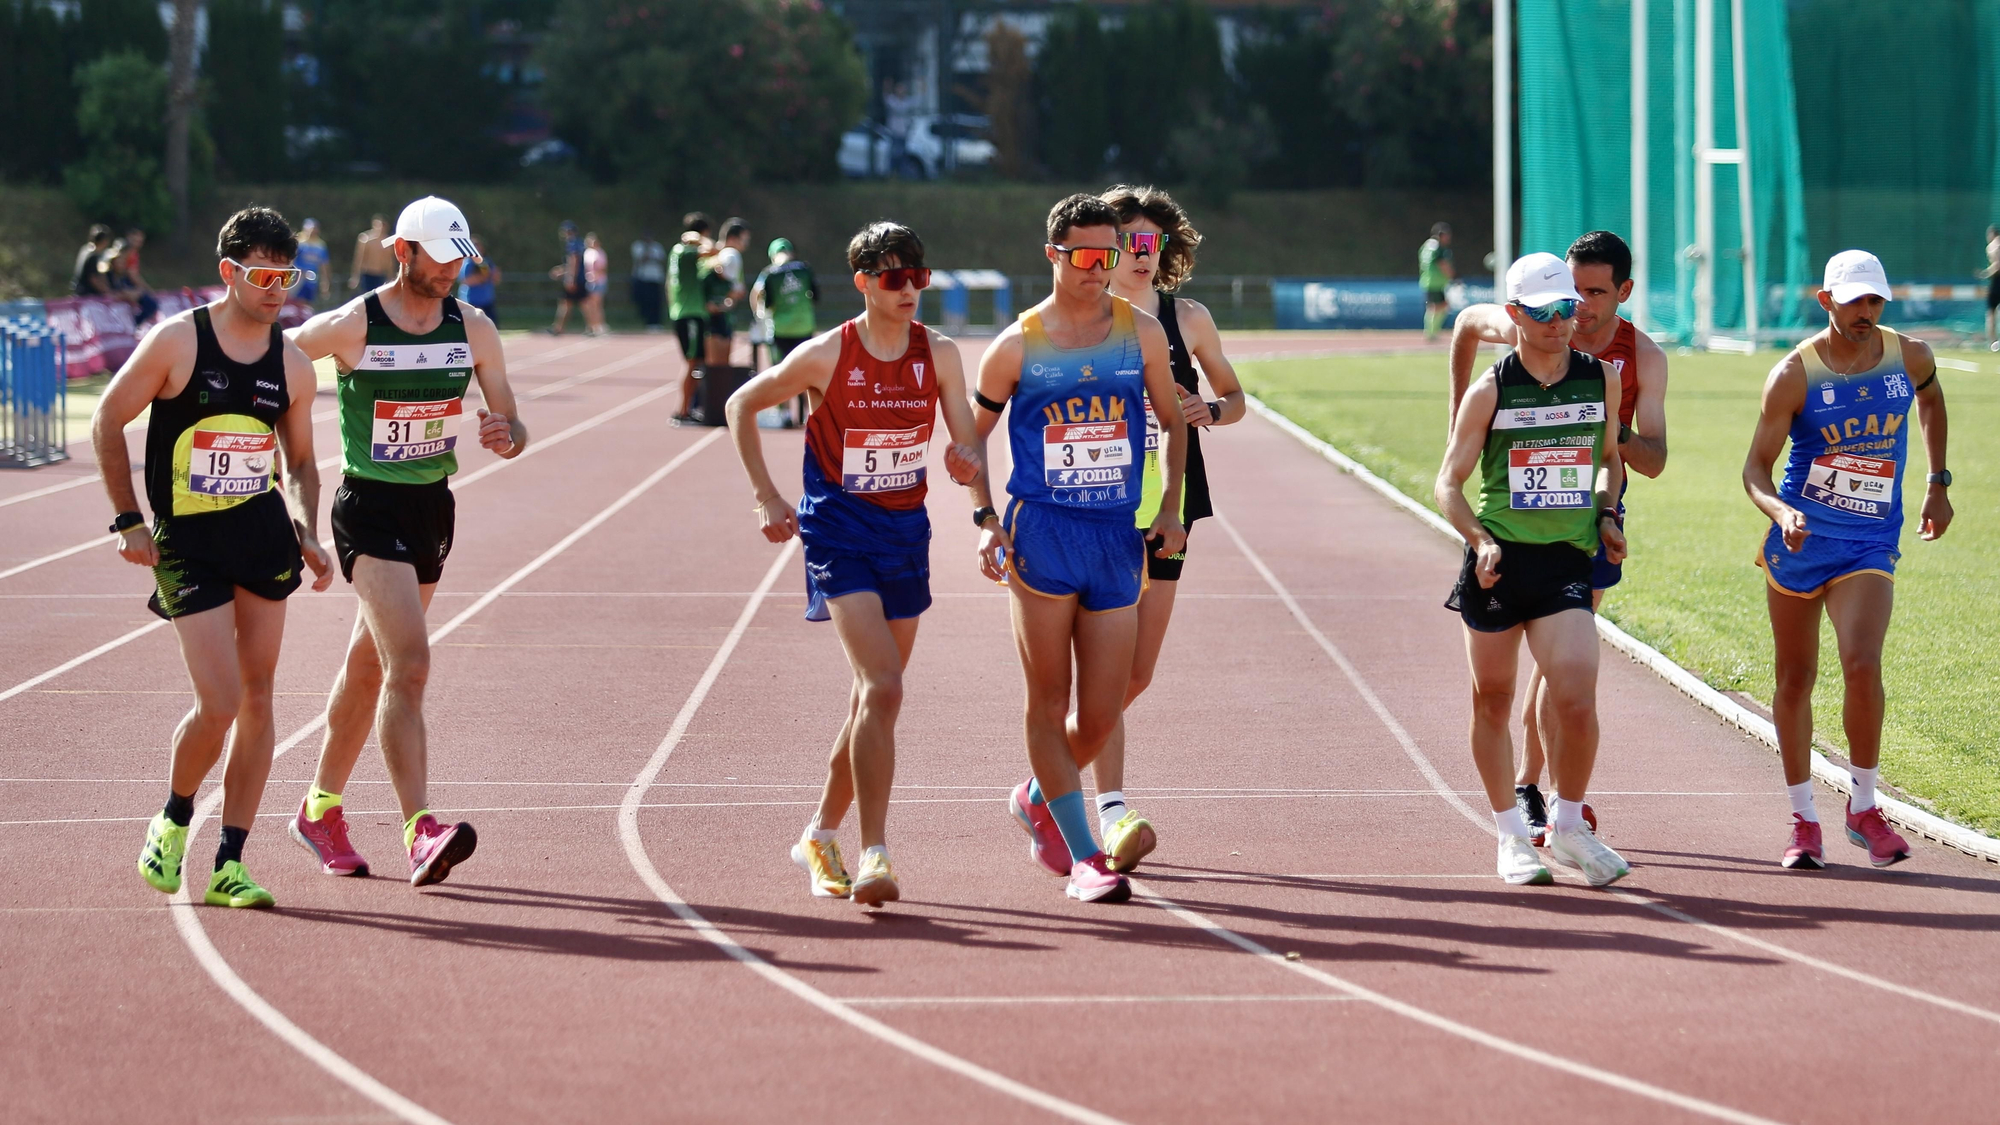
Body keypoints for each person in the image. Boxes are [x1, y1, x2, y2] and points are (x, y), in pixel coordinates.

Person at [723, 221, 981, 907]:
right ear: (864, 281)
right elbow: (740, 402)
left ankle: (818, 832)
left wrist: (969, 468)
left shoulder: (942, 354)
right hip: (838, 531)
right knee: (885, 687)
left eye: (918, 277)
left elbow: (968, 445)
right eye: (894, 278)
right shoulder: (826, 354)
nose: (909, 291)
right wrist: (766, 496)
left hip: (906, 532)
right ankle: (875, 852)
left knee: (873, 699)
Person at [93, 207, 335, 909]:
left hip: (260, 535)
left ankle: (231, 859)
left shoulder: (291, 363)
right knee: (220, 700)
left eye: (285, 275)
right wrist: (128, 521)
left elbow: (302, 463)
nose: (275, 288)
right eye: (262, 275)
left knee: (261, 697)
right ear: (228, 272)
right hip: (187, 543)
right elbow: (109, 418)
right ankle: (172, 820)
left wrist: (306, 525)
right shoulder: (178, 342)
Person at [285, 195, 528, 888]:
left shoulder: (473, 327)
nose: (454, 272)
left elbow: (512, 420)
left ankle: (318, 809)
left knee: (372, 666)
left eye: (462, 260)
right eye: (442, 259)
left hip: (431, 510)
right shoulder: (351, 326)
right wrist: (285, 451)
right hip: (368, 508)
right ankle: (421, 828)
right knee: (411, 664)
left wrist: (507, 435)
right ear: (404, 252)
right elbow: (271, 367)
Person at [966, 193, 1189, 904]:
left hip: (1116, 535)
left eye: (1109, 256)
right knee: (1047, 696)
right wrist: (983, 520)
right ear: (1053, 256)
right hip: (1042, 535)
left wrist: (1173, 509)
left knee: (1100, 712)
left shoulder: (1142, 333)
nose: (1099, 269)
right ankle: (1086, 853)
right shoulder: (1017, 344)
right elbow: (971, 439)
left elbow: (1174, 421)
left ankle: (1037, 795)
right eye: (1084, 256)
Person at [1447, 230, 1670, 842]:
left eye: (1592, 296)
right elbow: (1466, 325)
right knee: (1524, 672)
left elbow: (1649, 459)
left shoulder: (1636, 360)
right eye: (1571, 293)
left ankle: (1547, 795)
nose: (1578, 309)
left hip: (1591, 510)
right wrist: (1463, 418)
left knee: (1566, 662)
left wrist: (1590, 415)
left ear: (1623, 292)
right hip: (1509, 520)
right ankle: (1528, 788)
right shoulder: (1522, 329)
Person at [1743, 249, 1952, 870]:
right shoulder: (1793, 374)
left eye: (1875, 300)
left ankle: (1863, 805)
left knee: (1862, 662)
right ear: (1826, 300)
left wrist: (1938, 483)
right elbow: (1755, 467)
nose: (1866, 311)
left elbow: (1932, 403)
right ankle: (1804, 819)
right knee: (1795, 679)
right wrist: (1781, 513)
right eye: (1854, 299)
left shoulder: (1909, 356)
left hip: (1868, 540)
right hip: (1802, 540)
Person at [1083, 184, 1244, 871]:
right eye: (1130, 244)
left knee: (1139, 671)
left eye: (1154, 244)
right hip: (1103, 499)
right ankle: (1103, 803)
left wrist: (1207, 409)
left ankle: (1048, 772)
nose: (1143, 257)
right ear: (1106, 250)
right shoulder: (1083, 320)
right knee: (1109, 664)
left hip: (1174, 503)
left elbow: (1236, 399)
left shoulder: (1190, 319)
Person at [750, 237, 818, 424]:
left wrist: (759, 316)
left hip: (780, 329)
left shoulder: (770, 273)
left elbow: (758, 295)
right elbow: (815, 296)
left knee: (781, 372)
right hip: (804, 326)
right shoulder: (804, 269)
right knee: (807, 372)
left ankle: (785, 414)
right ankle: (809, 414)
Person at [669, 213, 714, 423]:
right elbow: (713, 249)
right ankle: (683, 410)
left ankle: (690, 407)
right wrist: (699, 238)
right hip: (690, 314)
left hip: (685, 312)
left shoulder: (678, 251)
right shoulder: (686, 250)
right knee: (691, 361)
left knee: (694, 362)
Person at [700, 217, 751, 368]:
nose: (746, 245)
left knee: (717, 368)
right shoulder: (725, 256)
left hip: (718, 314)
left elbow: (736, 289)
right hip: (713, 316)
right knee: (715, 368)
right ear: (733, 238)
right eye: (744, 240)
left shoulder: (718, 255)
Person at [547, 220, 587, 335]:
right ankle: (558, 328)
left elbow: (573, 261)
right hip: (580, 278)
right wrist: (562, 270)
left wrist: (570, 278)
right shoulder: (579, 242)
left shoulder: (572, 243)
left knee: (580, 303)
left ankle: (593, 326)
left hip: (575, 279)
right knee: (568, 303)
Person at [1420, 222, 1456, 343]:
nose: (1448, 238)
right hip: (1435, 281)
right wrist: (1452, 275)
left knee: (1439, 306)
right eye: (1446, 235)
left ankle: (1431, 332)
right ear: (1440, 235)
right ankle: (1430, 333)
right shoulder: (1438, 247)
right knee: (1436, 307)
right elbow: (1441, 263)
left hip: (1429, 280)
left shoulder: (1427, 245)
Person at [457, 237, 500, 325]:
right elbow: (466, 280)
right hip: (471, 302)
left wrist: (494, 274)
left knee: (492, 326)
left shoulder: (486, 262)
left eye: (479, 247)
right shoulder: (467, 263)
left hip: (487, 300)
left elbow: (495, 278)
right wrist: (483, 277)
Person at [349, 214, 395, 296]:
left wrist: (390, 277)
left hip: (381, 274)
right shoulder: (365, 240)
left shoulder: (387, 242)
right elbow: (359, 259)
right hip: (368, 274)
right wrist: (355, 276)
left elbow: (390, 262)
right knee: (368, 298)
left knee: (380, 298)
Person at [630, 229, 667, 331]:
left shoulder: (657, 246)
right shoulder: (638, 246)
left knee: (656, 301)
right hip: (643, 278)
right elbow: (640, 260)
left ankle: (657, 322)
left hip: (655, 278)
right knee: (646, 301)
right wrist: (647, 250)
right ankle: (648, 322)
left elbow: (661, 259)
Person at [295, 219, 330, 307]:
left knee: (308, 304)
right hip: (299, 278)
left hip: (312, 280)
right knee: (297, 302)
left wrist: (325, 283)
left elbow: (324, 264)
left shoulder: (320, 245)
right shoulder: (299, 243)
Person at [72, 224, 112, 297]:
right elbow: (93, 279)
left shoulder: (85, 249)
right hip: (86, 294)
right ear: (104, 241)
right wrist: (107, 292)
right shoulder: (93, 256)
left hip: (78, 291)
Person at [582, 232, 609, 336]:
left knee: (596, 305)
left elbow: (603, 269)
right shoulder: (587, 253)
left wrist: (595, 275)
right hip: (589, 282)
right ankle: (591, 326)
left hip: (599, 282)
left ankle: (600, 326)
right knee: (589, 305)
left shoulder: (600, 253)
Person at [1981, 224, 1999, 350]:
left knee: (1991, 313)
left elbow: (1997, 265)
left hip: (1996, 281)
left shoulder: (1993, 246)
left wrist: (1986, 273)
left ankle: (1992, 342)